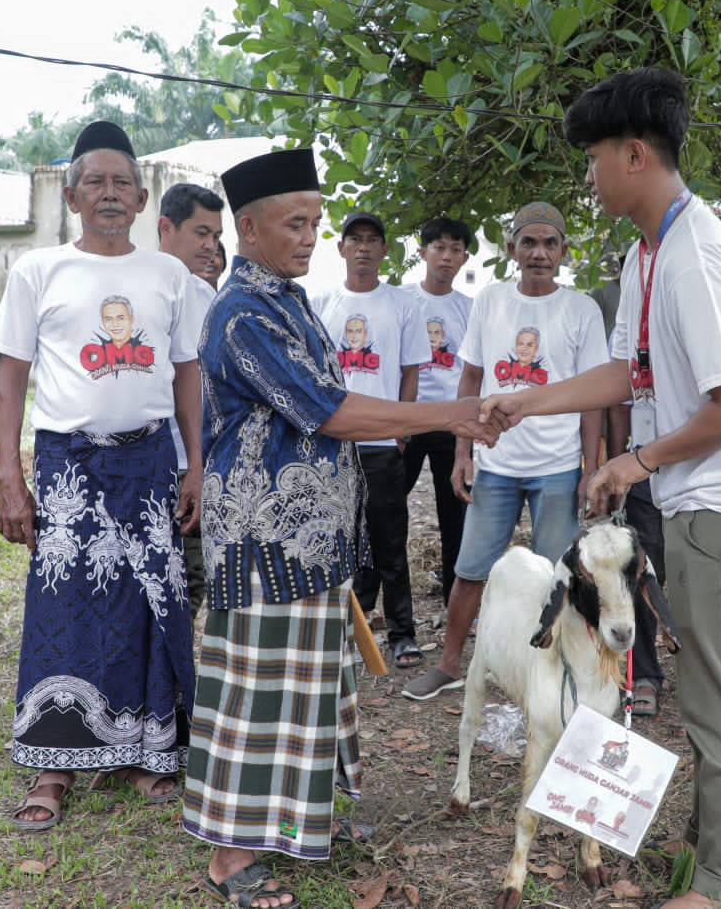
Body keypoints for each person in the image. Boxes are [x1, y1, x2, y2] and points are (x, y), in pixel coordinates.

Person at [486, 69, 721, 908]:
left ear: (634, 154)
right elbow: (626, 370)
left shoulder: (696, 260)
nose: (588, 176)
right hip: (710, 500)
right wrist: (533, 398)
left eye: (595, 157)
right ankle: (712, 849)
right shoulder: (649, 251)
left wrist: (635, 462)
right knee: (714, 692)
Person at [184, 147, 499, 908]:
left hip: (314, 536)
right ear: (248, 228)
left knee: (316, 683)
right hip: (262, 540)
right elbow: (329, 409)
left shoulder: (290, 300)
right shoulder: (241, 315)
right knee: (257, 691)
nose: (309, 238)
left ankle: (308, 814)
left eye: (314, 223)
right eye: (296, 224)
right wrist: (450, 412)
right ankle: (230, 854)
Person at [0, 121, 201, 832]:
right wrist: (9, 480)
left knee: (150, 603)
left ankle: (144, 751)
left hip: (149, 462)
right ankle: (54, 763)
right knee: (66, 605)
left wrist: (194, 463)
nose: (108, 194)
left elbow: (186, 376)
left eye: (121, 184)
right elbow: (10, 379)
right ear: (72, 194)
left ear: (142, 199)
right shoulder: (38, 270)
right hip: (66, 464)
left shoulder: (169, 275)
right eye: (94, 183)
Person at [400, 202, 608, 703]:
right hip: (495, 465)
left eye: (549, 243)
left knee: (554, 573)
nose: (539, 253)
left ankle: (549, 672)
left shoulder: (581, 309)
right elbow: (471, 378)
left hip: (557, 468)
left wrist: (591, 468)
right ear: (513, 248)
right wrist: (463, 452)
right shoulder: (490, 301)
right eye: (529, 242)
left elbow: (594, 396)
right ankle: (450, 662)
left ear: (562, 251)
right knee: (471, 567)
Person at [313, 211, 431, 668]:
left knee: (389, 541)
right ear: (341, 248)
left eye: (372, 240)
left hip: (382, 445)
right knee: (341, 540)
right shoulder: (321, 303)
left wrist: (400, 431)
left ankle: (402, 633)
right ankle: (347, 633)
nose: (363, 248)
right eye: (354, 239)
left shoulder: (403, 305)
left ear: (385, 251)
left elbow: (410, 372)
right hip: (335, 444)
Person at [590, 275, 669, 717]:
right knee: (640, 575)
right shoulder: (628, 326)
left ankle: (704, 678)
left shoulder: (697, 315)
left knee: (694, 582)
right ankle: (644, 675)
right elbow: (618, 396)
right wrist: (619, 461)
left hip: (702, 474)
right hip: (642, 470)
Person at [158, 183, 225, 616]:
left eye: (216, 236)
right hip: (152, 458)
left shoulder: (206, 295)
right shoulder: (139, 287)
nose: (210, 246)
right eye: (202, 233)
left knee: (193, 581)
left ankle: (176, 678)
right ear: (166, 226)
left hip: (199, 461)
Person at [404, 217, 475, 605]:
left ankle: (456, 599)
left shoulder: (470, 308)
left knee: (456, 517)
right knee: (386, 511)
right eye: (439, 248)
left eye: (455, 250)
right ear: (423, 252)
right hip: (409, 420)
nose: (447, 257)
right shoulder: (403, 300)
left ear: (465, 258)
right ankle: (378, 600)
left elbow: (473, 371)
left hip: (453, 422)